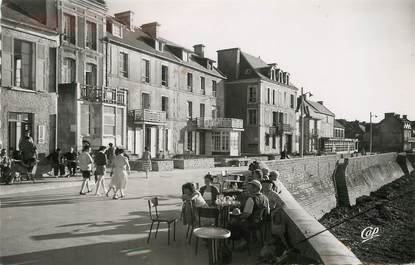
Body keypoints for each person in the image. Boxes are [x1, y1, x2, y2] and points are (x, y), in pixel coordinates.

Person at [228, 180, 270, 250]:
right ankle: (251, 238)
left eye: (250, 188)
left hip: (251, 223)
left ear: (255, 189)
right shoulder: (265, 198)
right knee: (237, 220)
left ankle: (242, 241)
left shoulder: (251, 199)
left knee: (231, 222)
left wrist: (237, 215)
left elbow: (246, 215)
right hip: (260, 222)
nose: (248, 189)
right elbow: (268, 212)